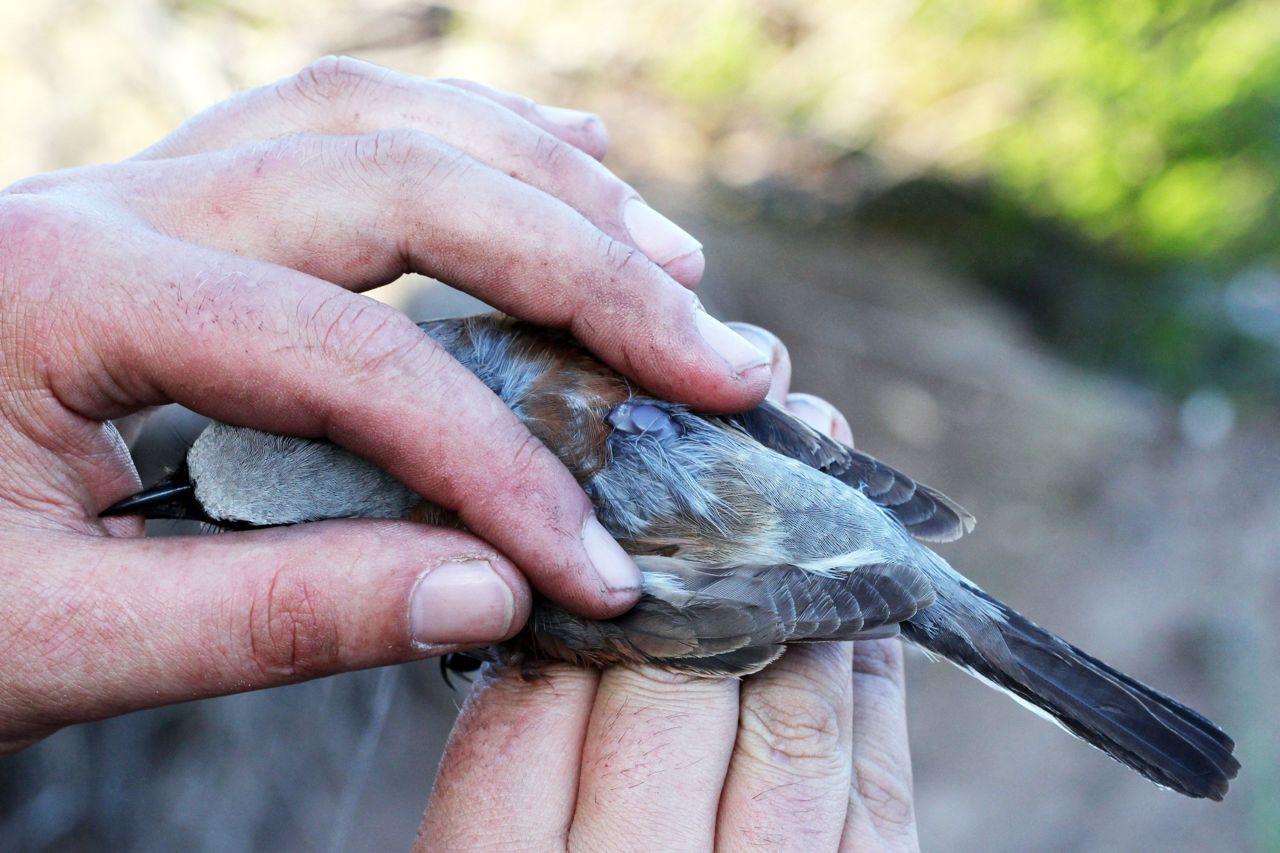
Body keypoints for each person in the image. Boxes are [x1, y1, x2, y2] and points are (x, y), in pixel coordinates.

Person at [0, 57, 918, 849]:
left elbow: (683, 602)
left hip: (746, 516)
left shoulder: (491, 570)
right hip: (764, 464)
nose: (179, 495)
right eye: (207, 498)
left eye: (197, 488)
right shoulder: (454, 371)